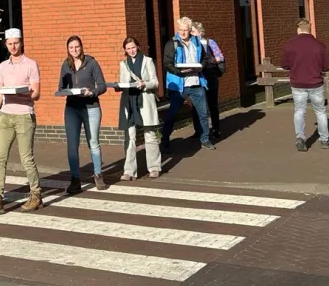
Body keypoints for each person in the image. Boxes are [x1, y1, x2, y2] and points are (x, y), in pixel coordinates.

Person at [0, 28, 43, 215]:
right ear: (6, 45)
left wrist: (22, 91)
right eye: (10, 43)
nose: (13, 46)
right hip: (6, 116)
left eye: (16, 43)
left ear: (21, 42)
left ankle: (36, 194)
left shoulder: (31, 64)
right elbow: (0, 93)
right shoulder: (3, 66)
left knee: (26, 157)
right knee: (0, 157)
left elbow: (36, 93)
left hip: (24, 116)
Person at [58, 35, 108, 194]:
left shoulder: (91, 63)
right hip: (72, 108)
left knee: (93, 142)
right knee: (72, 145)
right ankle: (75, 179)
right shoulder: (66, 65)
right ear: (68, 49)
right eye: (71, 48)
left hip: (90, 106)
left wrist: (92, 92)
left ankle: (98, 175)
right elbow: (61, 87)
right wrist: (63, 91)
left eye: (77, 47)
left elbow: (102, 85)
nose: (74, 50)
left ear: (81, 47)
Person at [161, 17, 214, 153]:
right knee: (172, 114)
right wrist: (178, 71)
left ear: (190, 30)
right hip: (179, 85)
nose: (183, 33)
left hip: (196, 83)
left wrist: (201, 67)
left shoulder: (197, 42)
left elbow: (205, 59)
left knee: (203, 113)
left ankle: (205, 139)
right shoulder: (171, 44)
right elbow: (167, 63)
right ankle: (165, 140)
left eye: (185, 30)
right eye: (180, 30)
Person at [280, 19, 329, 151]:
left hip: (297, 83)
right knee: (320, 111)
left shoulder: (289, 45)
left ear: (298, 29)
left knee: (299, 110)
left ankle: (300, 137)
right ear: (310, 29)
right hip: (315, 83)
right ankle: (324, 140)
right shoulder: (319, 45)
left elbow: (284, 64)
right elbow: (327, 66)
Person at [118, 37, 162, 180]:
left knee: (149, 135)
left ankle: (154, 167)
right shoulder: (123, 64)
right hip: (129, 102)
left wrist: (144, 84)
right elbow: (123, 82)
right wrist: (119, 87)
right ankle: (129, 171)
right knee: (129, 137)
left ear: (138, 46)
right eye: (128, 48)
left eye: (133, 47)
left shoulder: (148, 61)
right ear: (125, 50)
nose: (131, 51)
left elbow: (155, 82)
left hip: (145, 100)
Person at [191, 22, 225, 142]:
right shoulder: (190, 45)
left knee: (212, 103)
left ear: (200, 32)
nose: (191, 34)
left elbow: (221, 57)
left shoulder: (210, 43)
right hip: (198, 75)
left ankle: (216, 129)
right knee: (196, 104)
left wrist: (211, 60)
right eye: (191, 32)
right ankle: (198, 130)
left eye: (193, 31)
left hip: (210, 74)